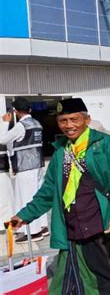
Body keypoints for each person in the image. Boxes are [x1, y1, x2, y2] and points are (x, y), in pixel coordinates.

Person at [10, 98, 110, 294]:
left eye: (74, 119)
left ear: (87, 119)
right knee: (74, 280)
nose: (69, 126)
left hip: (102, 226)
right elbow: (48, 191)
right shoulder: (61, 150)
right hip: (72, 228)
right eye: (63, 120)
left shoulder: (105, 145)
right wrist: (24, 215)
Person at [0, 98, 48, 243]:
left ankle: (33, 233)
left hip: (25, 166)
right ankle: (43, 227)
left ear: (15, 111)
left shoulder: (21, 125)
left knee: (26, 198)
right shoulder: (36, 123)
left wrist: (5, 123)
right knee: (37, 196)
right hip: (38, 165)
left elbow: (2, 139)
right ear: (30, 110)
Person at [0, 114, 14, 224]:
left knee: (5, 197)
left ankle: (5, 222)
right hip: (3, 168)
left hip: (2, 168)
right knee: (5, 197)